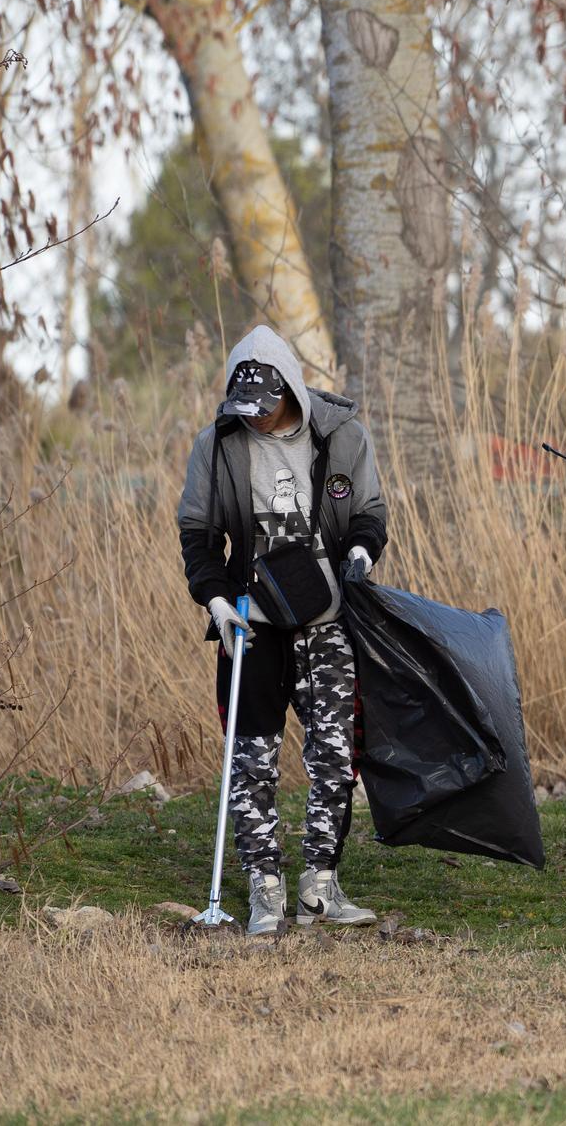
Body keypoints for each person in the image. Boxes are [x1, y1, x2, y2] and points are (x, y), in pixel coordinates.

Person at [176, 326, 389, 936]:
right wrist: (215, 600)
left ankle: (321, 885)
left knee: (334, 751)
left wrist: (361, 555)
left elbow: (370, 511)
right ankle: (263, 888)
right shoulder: (216, 445)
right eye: (245, 413)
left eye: (265, 410)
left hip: (328, 618)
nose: (256, 422)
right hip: (250, 622)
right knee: (252, 759)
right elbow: (198, 533)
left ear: (289, 389)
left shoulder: (342, 435)